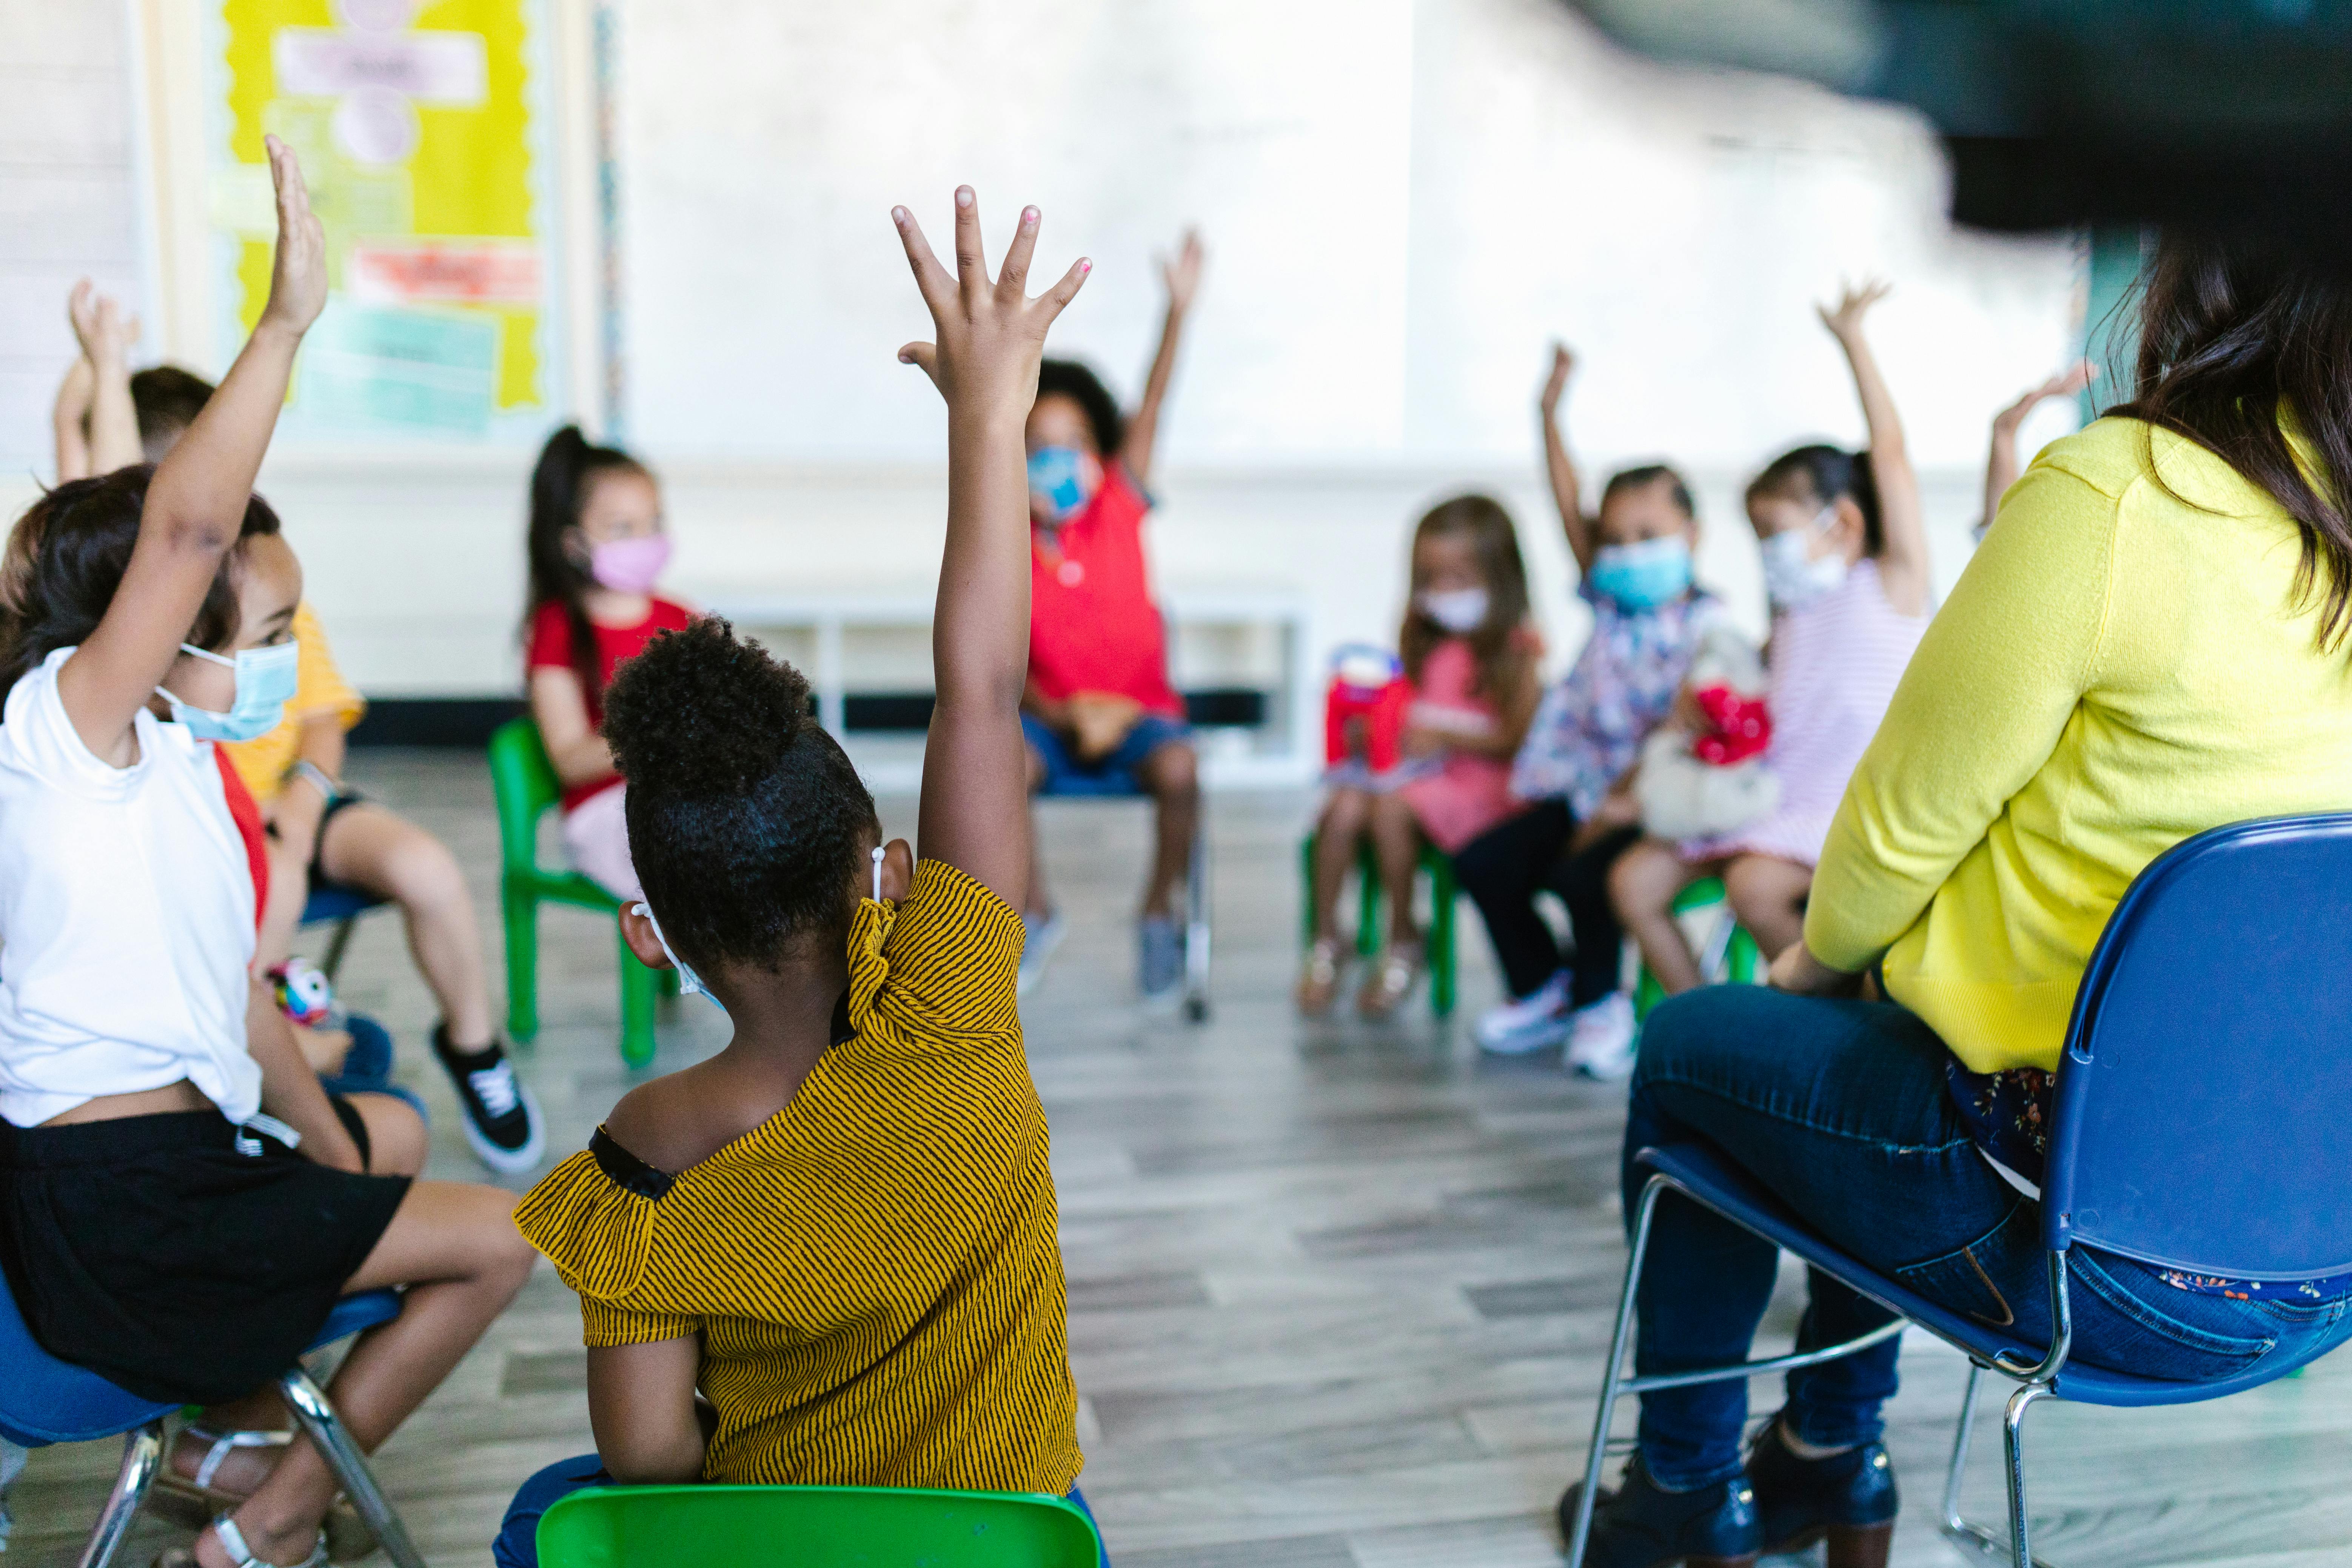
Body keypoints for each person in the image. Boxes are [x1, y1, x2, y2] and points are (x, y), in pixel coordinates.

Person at [1559, 233, 2352, 1567]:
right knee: (1860, 1059)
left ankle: (1682, 1493)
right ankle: (1824, 1456)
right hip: (2311, 1261)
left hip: (2066, 1244)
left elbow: (1896, 827)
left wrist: (1816, 957)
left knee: (1701, 1054)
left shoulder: (2122, 495)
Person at [496, 188, 1099, 1567]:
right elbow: (983, 688)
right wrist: (984, 417)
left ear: (649, 935)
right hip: (1012, 1546)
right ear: (887, 872)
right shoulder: (954, 1003)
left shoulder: (640, 1158)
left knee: (556, 1513)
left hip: (777, 1545)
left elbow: (653, 1466)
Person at [0, 137, 533, 1568]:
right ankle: (268, 1520)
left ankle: (247, 1451)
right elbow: (166, 526)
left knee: (403, 1155)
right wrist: (286, 320)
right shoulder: (61, 735)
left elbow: (116, 515)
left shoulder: (163, 748)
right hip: (129, 1219)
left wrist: (105, 389)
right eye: (268, 626)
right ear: (159, 631)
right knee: (505, 1237)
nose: (290, 655)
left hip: (175, 1182)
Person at [99, 358, 545, 1174]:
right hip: (217, 826)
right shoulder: (130, 625)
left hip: (296, 797)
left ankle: (474, 1049)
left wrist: (304, 811)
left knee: (430, 869)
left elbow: (322, 720)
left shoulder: (273, 586)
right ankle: (287, 1072)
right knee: (266, 904)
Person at [1608, 283, 1931, 992]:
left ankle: (1833, 1030)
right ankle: (1703, 1032)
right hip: (1769, 800)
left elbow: (1891, 456)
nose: (1765, 553)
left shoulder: (1892, 583)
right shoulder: (1791, 609)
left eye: (1774, 533)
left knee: (1755, 887)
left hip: (1844, 814)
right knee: (1633, 883)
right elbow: (1762, 688)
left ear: (1842, 523)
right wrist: (1705, 704)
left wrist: (1853, 341)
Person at [1462, 344, 1730, 1076]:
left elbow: (1690, 742)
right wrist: (1547, 413)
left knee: (1587, 882)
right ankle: (1543, 986)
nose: (1626, 551)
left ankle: (1599, 1004)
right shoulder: (1609, 597)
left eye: (1647, 536)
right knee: (1484, 864)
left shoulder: (1711, 633)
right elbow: (1563, 498)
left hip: (1644, 803)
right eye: (1612, 538)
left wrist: (1619, 807)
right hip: (1576, 785)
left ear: (1692, 536)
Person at [1018, 228, 1204, 1000]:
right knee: (1001, 767)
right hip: (1052, 722)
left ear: (1102, 451)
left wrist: (1178, 313)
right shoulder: (1004, 543)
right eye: (1038, 447)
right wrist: (1062, 717)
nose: (1058, 461)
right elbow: (998, 667)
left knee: (1181, 771)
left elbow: (1154, 403)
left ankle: (1160, 909)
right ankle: (1032, 910)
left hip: (1142, 718)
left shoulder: (1119, 510)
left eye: (1075, 443)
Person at [1300, 494, 1540, 1020]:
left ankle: (1404, 937)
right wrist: (1376, 729)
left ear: (1498, 576)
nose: (1444, 592)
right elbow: (1404, 708)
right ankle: (1325, 939)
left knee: (1391, 807)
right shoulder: (1424, 640)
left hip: (1479, 785)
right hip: (1416, 771)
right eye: (1432, 579)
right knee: (1341, 806)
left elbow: (1516, 741)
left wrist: (1446, 738)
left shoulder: (1520, 649)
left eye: (1460, 578)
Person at [522, 425, 695, 903]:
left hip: (686, 802)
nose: (646, 539)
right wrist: (661, 733)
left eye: (654, 523)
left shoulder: (683, 618)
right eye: (623, 528)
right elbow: (570, 760)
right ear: (575, 544)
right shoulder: (556, 628)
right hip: (606, 815)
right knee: (703, 881)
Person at [1979, 361, 2096, 539]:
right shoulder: (2002, 540)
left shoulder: (2000, 540)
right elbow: (2003, 428)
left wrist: (2044, 394)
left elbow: (2003, 428)